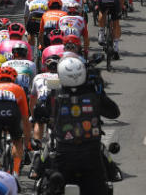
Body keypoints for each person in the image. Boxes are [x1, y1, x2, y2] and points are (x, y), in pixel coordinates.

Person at [39, 56, 120, 195]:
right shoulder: (93, 93)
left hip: (63, 156)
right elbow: (114, 113)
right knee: (107, 183)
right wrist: (100, 91)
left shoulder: (56, 94)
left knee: (44, 179)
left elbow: (38, 112)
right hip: (91, 156)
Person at [0, 66, 29, 178]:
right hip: (12, 117)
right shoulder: (18, 88)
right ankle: (16, 173)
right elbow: (25, 116)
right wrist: (27, 141)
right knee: (17, 141)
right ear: (13, 78)